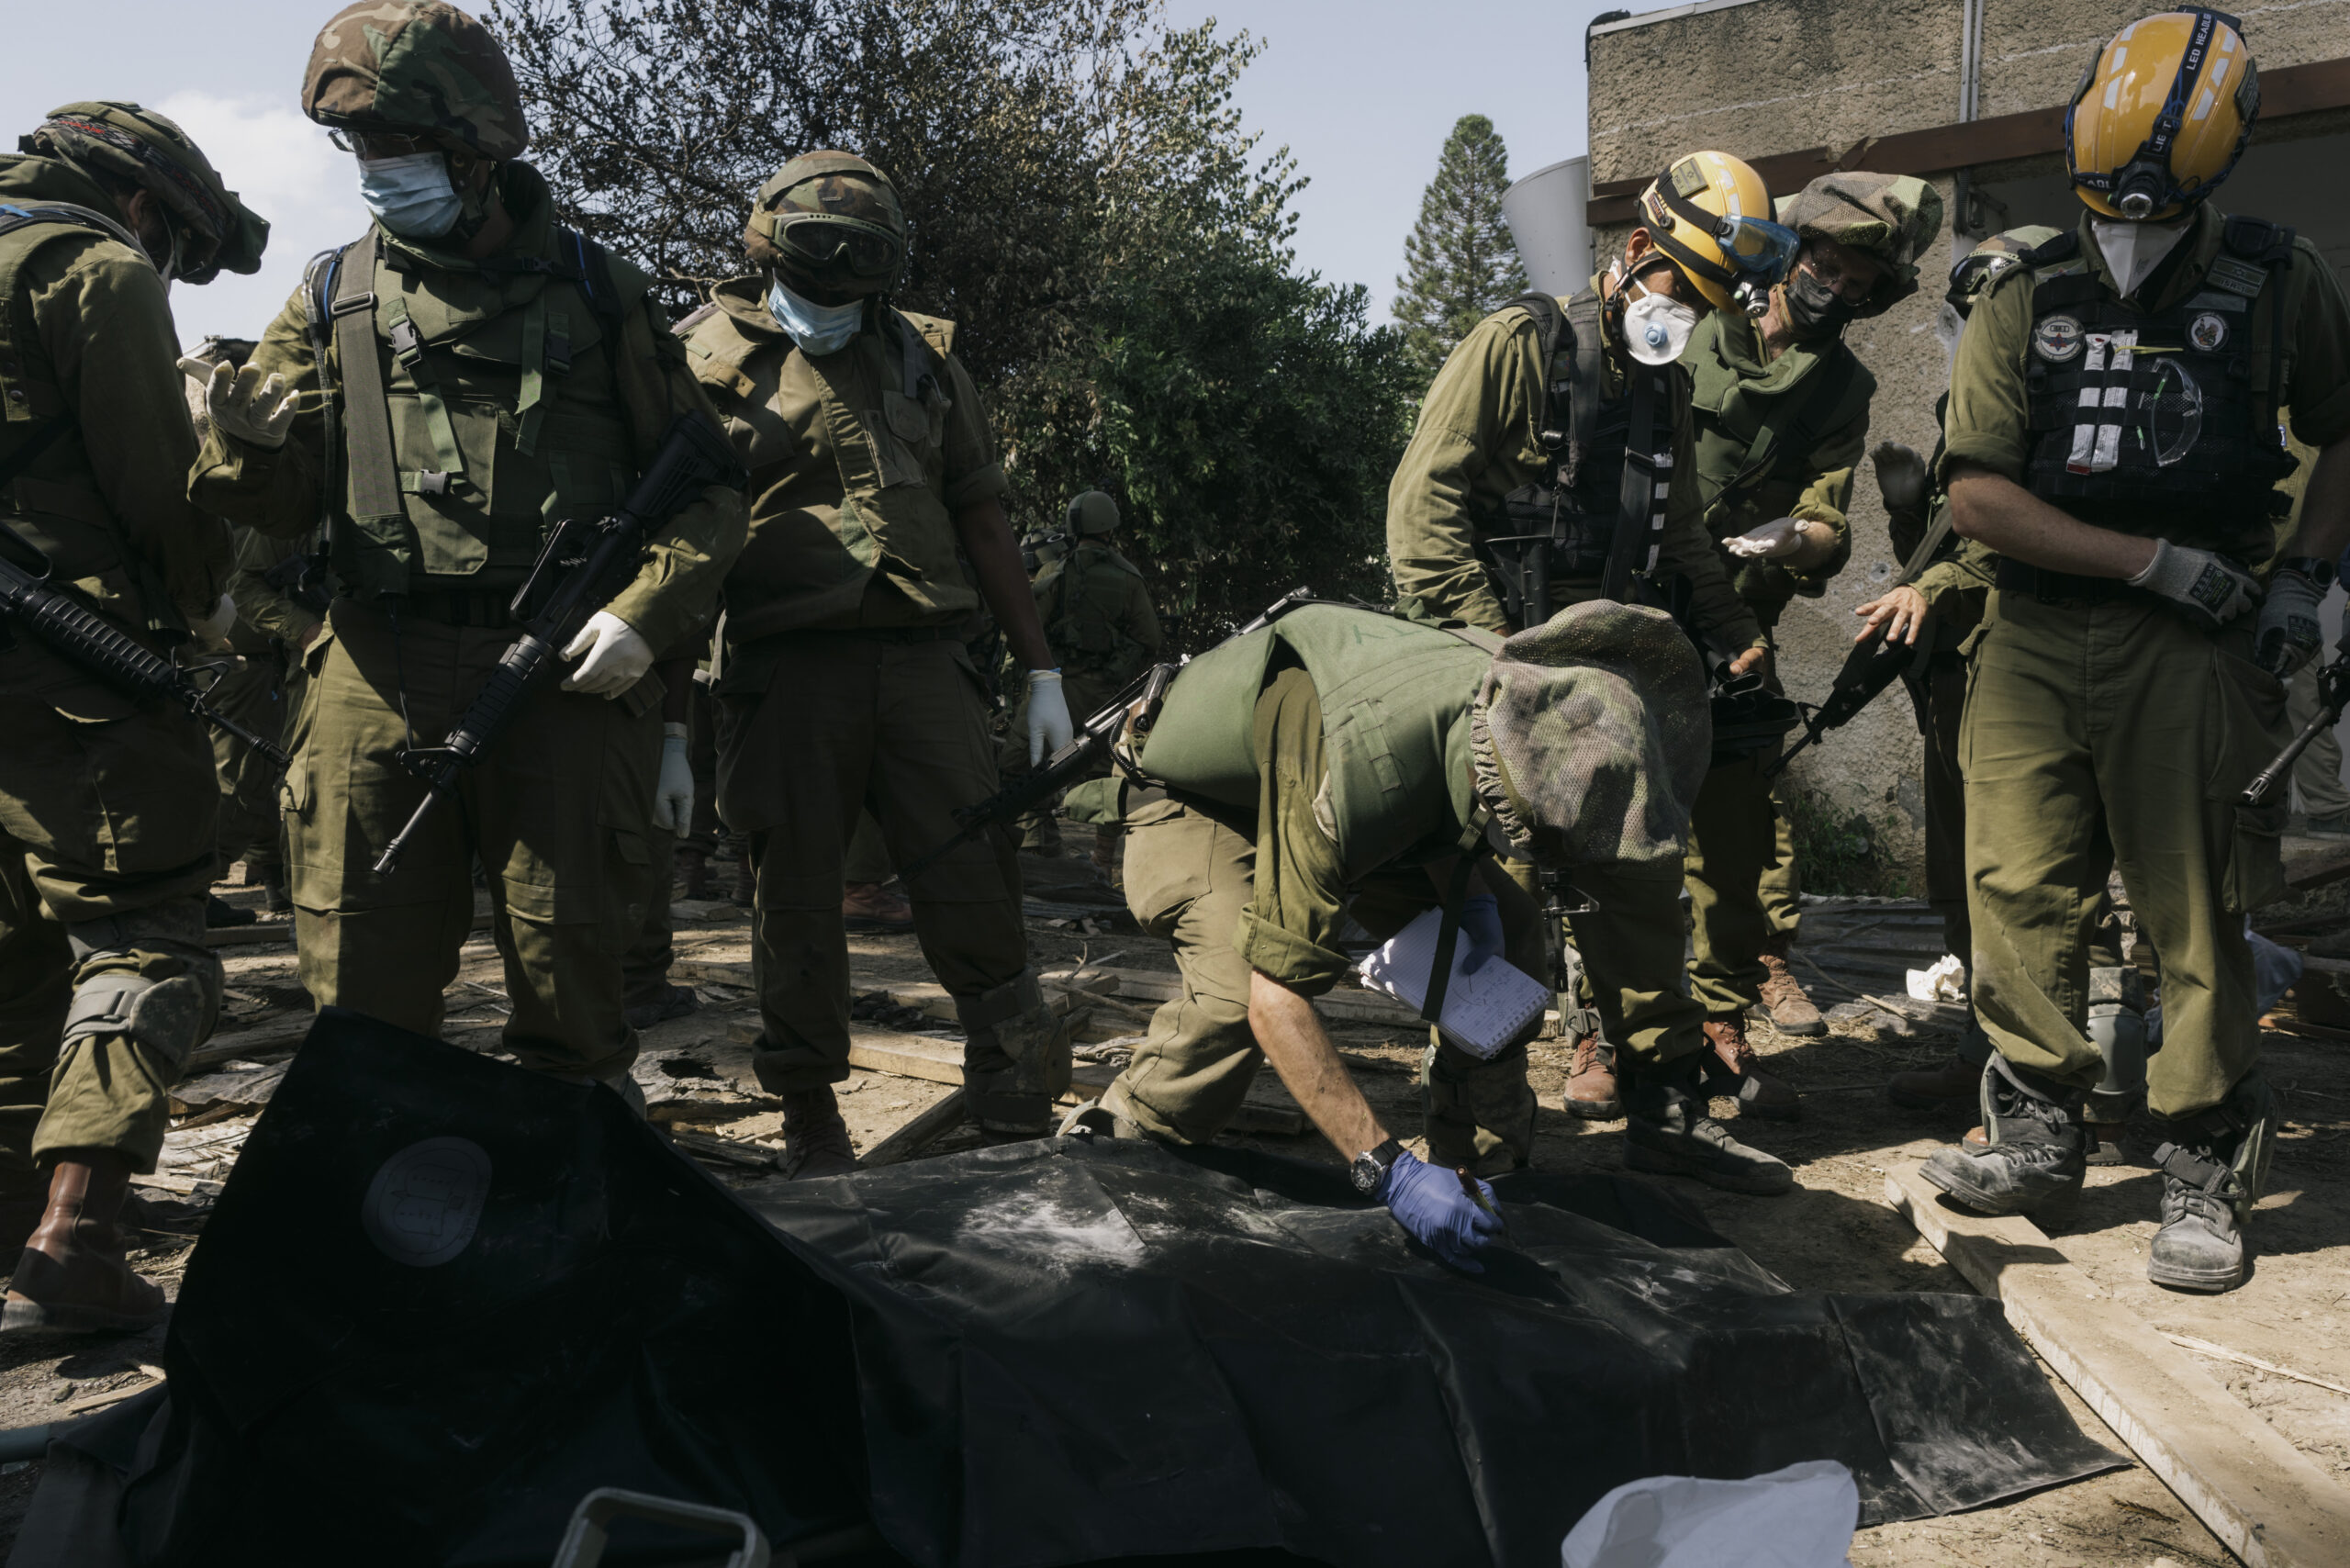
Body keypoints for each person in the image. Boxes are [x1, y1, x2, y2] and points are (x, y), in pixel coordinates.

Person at [189, 2, 746, 1107]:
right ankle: (385, 1213)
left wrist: (645, 613)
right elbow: (287, 504)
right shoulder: (330, 293)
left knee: (571, 957)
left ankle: (578, 1201)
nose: (374, 171)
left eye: (399, 149)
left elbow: (712, 491)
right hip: (371, 666)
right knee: (360, 976)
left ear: (478, 153)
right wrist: (244, 449)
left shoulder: (601, 292)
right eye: (359, 148)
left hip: (560, 674)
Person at [1919, 7, 2350, 1294]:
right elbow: (1976, 498)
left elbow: (2344, 431)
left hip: (2199, 651)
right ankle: (2037, 1131)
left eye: (2150, 208)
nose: (2123, 225)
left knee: (2194, 903)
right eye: (2104, 199)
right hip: (2040, 636)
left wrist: (2305, 580)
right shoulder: (2024, 285)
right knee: (2018, 886)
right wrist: (2145, 558)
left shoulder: (2281, 277)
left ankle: (2205, 1162)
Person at [1375, 147, 1803, 1187]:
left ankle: (1665, 1109)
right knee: (1504, 917)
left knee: (1646, 901)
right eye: (1681, 289)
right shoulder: (1515, 347)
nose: (1688, 317)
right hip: (1500, 682)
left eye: (1709, 304)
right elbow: (1419, 517)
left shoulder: (1663, 387)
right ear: (1638, 251)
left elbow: (1685, 533)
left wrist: (1728, 628)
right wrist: (1496, 653)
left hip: (1606, 696)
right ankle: (1477, 1139)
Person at [1084, 598, 1720, 1255]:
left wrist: (1473, 904)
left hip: (1331, 773)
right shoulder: (1352, 772)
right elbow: (1276, 1003)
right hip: (1196, 797)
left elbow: (1446, 796)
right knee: (1228, 995)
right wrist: (1384, 1168)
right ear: (1490, 788)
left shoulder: (1519, 694)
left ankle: (1478, 1159)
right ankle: (1108, 1155)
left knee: (1514, 924)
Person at [681, 151, 1072, 1175]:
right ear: (767, 246)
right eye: (818, 259)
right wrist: (664, 713)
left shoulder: (923, 358)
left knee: (975, 881)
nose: (836, 283)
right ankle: (809, 1108)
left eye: (862, 265)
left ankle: (1013, 1094)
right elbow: (674, 541)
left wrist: (1041, 673)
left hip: (925, 660)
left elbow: (980, 514)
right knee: (795, 899)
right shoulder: (701, 359)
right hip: (783, 665)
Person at [0, 101, 266, 1329]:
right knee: (146, 933)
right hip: (69, 672)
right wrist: (201, 604)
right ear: (148, 206)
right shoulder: (89, 266)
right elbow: (161, 496)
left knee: (12, 962)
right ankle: (79, 1237)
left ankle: (14, 1225)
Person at [1675, 173, 1942, 1051]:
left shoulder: (1843, 390)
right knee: (1600, 815)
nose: (1837, 292)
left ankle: (1731, 1002)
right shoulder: (1700, 326)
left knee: (1742, 815)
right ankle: (1604, 1021)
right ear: (1793, 254)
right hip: (1631, 603)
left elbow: (1830, 517)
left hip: (1733, 627)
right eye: (1828, 267)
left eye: (1860, 286)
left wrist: (1802, 542)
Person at [1003, 490, 1163, 872]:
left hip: (1053, 689)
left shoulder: (1054, 572)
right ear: (1109, 527)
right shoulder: (1129, 579)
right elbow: (1150, 638)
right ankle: (1102, 862)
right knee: (1106, 772)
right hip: (1104, 695)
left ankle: (1035, 843)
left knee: (1019, 763)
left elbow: (1026, 626)